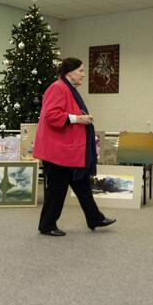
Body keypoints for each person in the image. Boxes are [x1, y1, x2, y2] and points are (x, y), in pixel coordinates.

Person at [34, 57, 116, 236]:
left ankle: (95, 218)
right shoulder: (57, 88)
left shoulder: (67, 88)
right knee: (57, 190)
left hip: (68, 151)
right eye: (81, 70)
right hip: (59, 152)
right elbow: (51, 116)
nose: (83, 74)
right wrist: (78, 118)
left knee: (82, 185)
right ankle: (47, 225)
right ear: (69, 73)